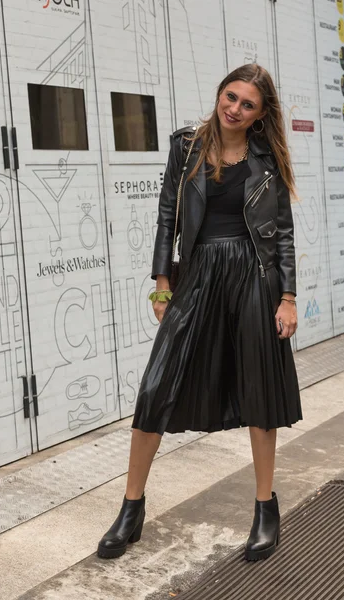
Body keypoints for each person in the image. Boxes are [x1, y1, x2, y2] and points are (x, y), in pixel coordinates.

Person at [97, 64, 302, 562]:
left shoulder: (266, 156)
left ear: (260, 114)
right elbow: (168, 213)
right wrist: (162, 283)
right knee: (155, 388)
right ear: (219, 93)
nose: (233, 108)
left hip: (253, 276)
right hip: (198, 272)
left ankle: (264, 509)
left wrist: (288, 297)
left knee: (260, 395)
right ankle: (131, 508)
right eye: (229, 96)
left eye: (246, 104)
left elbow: (283, 230)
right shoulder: (186, 144)